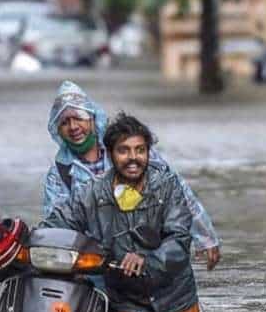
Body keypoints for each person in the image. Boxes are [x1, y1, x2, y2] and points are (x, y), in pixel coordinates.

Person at [43, 112, 200, 312]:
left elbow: (179, 240)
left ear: (148, 152)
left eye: (140, 150)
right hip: (128, 300)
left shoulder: (167, 185)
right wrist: (24, 241)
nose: (133, 158)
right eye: (124, 151)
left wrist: (147, 260)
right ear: (110, 154)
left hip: (176, 297)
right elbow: (56, 223)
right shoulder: (93, 193)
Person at [42, 81, 221, 271]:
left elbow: (178, 194)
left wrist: (205, 238)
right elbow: (57, 226)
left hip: (148, 254)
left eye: (79, 118)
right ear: (58, 130)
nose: (73, 127)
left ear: (93, 119)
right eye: (64, 122)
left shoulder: (131, 151)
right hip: (94, 264)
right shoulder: (59, 174)